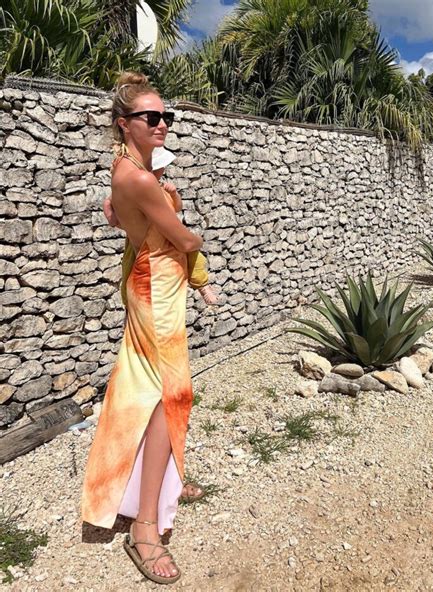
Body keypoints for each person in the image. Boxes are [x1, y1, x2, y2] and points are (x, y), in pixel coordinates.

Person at [81, 71, 203, 584]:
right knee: (166, 396)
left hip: (152, 282)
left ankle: (162, 481)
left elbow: (132, 220)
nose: (162, 123)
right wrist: (191, 236)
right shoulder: (139, 178)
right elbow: (186, 240)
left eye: (165, 115)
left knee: (153, 392)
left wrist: (146, 217)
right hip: (157, 290)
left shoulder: (129, 169)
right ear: (123, 123)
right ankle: (144, 527)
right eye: (150, 116)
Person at [103, 146, 218, 306]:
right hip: (141, 238)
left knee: (193, 254)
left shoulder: (161, 188)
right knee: (130, 268)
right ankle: (129, 305)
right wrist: (114, 218)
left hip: (167, 233)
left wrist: (174, 195)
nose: (162, 170)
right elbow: (110, 204)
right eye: (159, 167)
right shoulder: (131, 187)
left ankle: (203, 286)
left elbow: (177, 207)